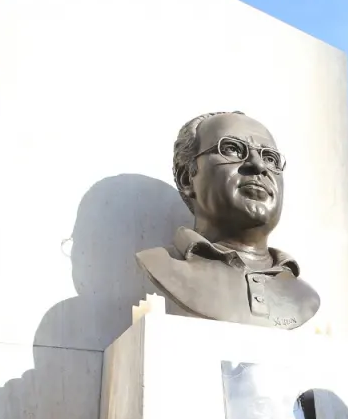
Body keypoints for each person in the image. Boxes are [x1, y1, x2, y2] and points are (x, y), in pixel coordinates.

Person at [137, 110, 320, 330]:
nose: (259, 165)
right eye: (232, 149)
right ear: (187, 178)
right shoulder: (163, 264)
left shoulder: (305, 297)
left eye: (270, 158)